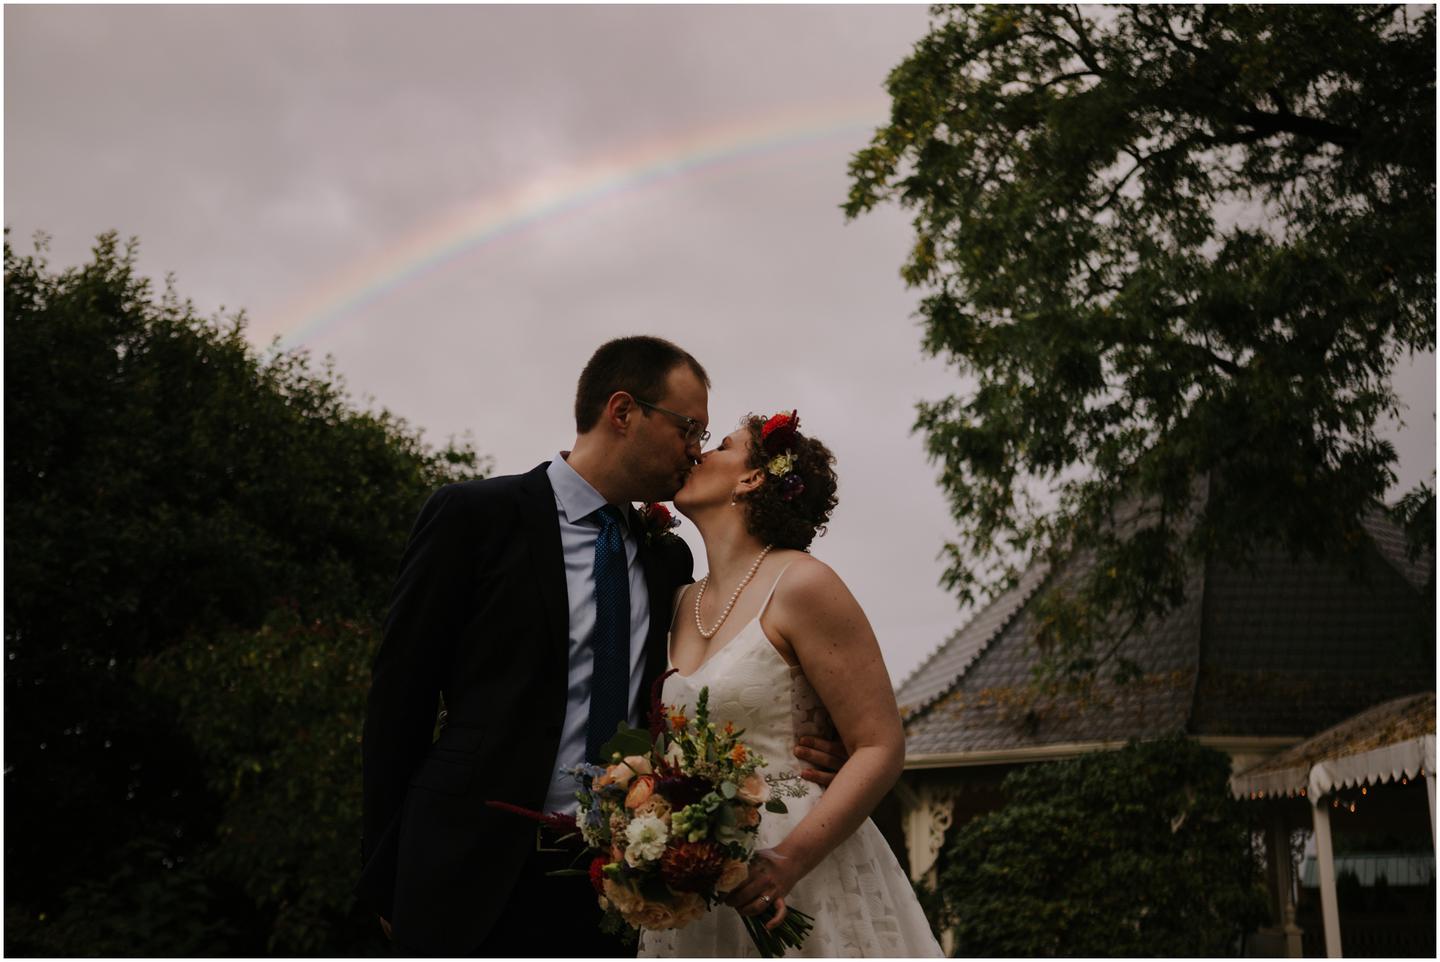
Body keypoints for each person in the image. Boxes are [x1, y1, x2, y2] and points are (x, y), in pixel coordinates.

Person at [355, 338, 847, 956]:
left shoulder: (668, 561)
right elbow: (398, 703)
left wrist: (823, 747)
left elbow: (702, 695)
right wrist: (384, 874)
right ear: (623, 411)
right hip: (465, 870)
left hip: (618, 888)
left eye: (705, 435)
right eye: (688, 428)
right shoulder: (474, 516)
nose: (696, 449)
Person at [638, 412, 944, 957]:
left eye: (721, 446)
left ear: (752, 477)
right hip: (697, 877)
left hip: (799, 864)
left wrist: (788, 861)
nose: (698, 452)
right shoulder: (678, 600)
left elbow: (880, 745)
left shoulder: (803, 583)